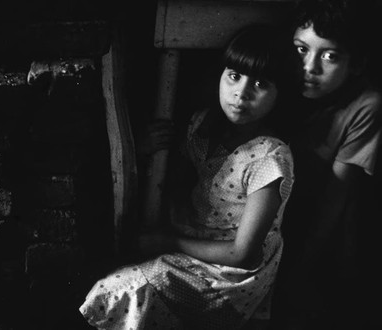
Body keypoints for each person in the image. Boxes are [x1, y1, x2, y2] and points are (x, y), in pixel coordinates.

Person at [79, 24, 295, 330]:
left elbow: (242, 253)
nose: (241, 93)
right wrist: (144, 148)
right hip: (193, 239)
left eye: (260, 84)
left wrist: (168, 240)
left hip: (229, 278)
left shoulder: (269, 158)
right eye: (234, 76)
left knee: (128, 287)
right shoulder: (203, 123)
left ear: (279, 94)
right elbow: (175, 184)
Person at [271, 0, 382, 329]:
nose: (310, 67)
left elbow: (334, 202)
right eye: (301, 49)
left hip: (323, 231)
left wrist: (295, 274)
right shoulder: (280, 84)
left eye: (330, 56)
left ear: (357, 63)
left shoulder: (366, 106)